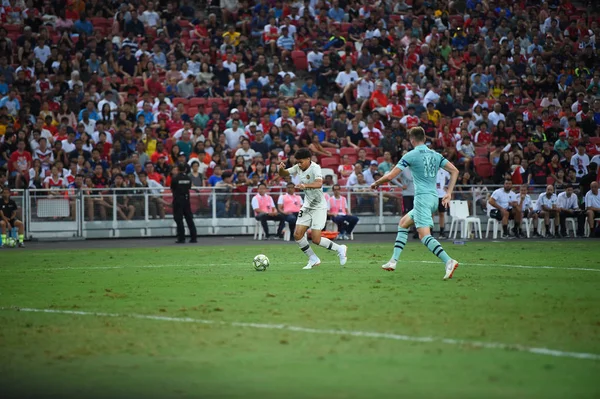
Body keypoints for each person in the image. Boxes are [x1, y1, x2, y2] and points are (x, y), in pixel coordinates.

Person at [370, 127, 459, 279]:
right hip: (433, 198)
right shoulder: (435, 154)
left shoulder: (411, 155)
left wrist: (376, 183)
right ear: (424, 138)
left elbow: (391, 175)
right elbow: (455, 171)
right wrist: (449, 193)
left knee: (424, 236)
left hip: (422, 199)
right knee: (403, 223)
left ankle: (448, 261)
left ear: (411, 140)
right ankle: (393, 261)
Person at [278, 148, 348, 270]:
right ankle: (313, 258)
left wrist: (305, 185)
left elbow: (319, 183)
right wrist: (280, 168)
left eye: (301, 162)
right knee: (298, 235)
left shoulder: (315, 167)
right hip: (307, 206)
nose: (299, 164)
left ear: (308, 159)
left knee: (316, 239)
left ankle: (340, 248)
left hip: (319, 207)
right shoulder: (298, 167)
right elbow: (283, 174)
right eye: (297, 162)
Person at [170, 164, 197, 243]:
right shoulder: (188, 178)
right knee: (189, 219)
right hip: (186, 199)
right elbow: (189, 188)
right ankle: (193, 237)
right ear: (185, 169)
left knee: (179, 219)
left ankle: (181, 238)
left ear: (178, 169)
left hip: (178, 199)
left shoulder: (175, 178)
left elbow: (172, 188)